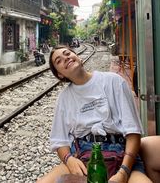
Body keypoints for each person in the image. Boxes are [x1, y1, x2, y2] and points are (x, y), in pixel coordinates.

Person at [37, 45, 152, 183]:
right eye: (59, 61)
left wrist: (124, 172)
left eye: (67, 53)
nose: (66, 58)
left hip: (122, 155)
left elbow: (133, 132)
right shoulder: (64, 98)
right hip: (83, 156)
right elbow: (59, 141)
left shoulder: (114, 81)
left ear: (77, 56)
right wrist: (69, 160)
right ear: (60, 74)